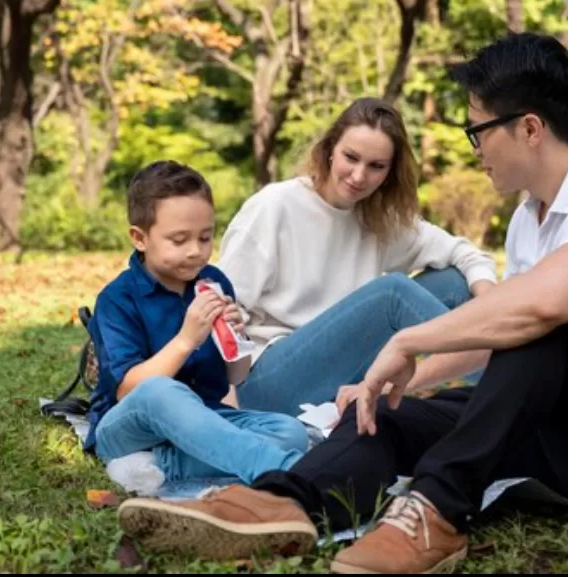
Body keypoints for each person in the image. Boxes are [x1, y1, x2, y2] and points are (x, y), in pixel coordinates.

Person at [114, 32, 568, 573]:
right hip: (546, 431)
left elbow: (542, 312)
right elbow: (499, 338)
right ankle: (283, 503)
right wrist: (394, 381)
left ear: (529, 128)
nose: (475, 148)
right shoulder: (529, 218)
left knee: (544, 321)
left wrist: (406, 341)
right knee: (381, 413)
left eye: (478, 131)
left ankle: (435, 511)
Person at [214, 97, 500, 417]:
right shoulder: (275, 206)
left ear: (389, 173)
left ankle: (505, 367)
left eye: (376, 166)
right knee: (391, 294)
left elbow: (466, 253)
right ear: (330, 149)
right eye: (351, 157)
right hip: (267, 382)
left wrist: (490, 302)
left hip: (342, 371)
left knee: (454, 282)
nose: (359, 176)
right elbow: (220, 307)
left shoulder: (376, 218)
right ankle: (510, 371)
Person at [82, 160, 310, 492]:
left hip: (201, 417)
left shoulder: (215, 282)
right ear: (140, 238)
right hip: (127, 428)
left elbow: (236, 377)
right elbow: (130, 391)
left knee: (290, 432)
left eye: (205, 237)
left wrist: (236, 338)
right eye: (179, 240)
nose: (195, 251)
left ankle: (158, 465)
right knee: (161, 390)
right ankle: (289, 471)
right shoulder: (118, 299)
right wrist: (186, 339)